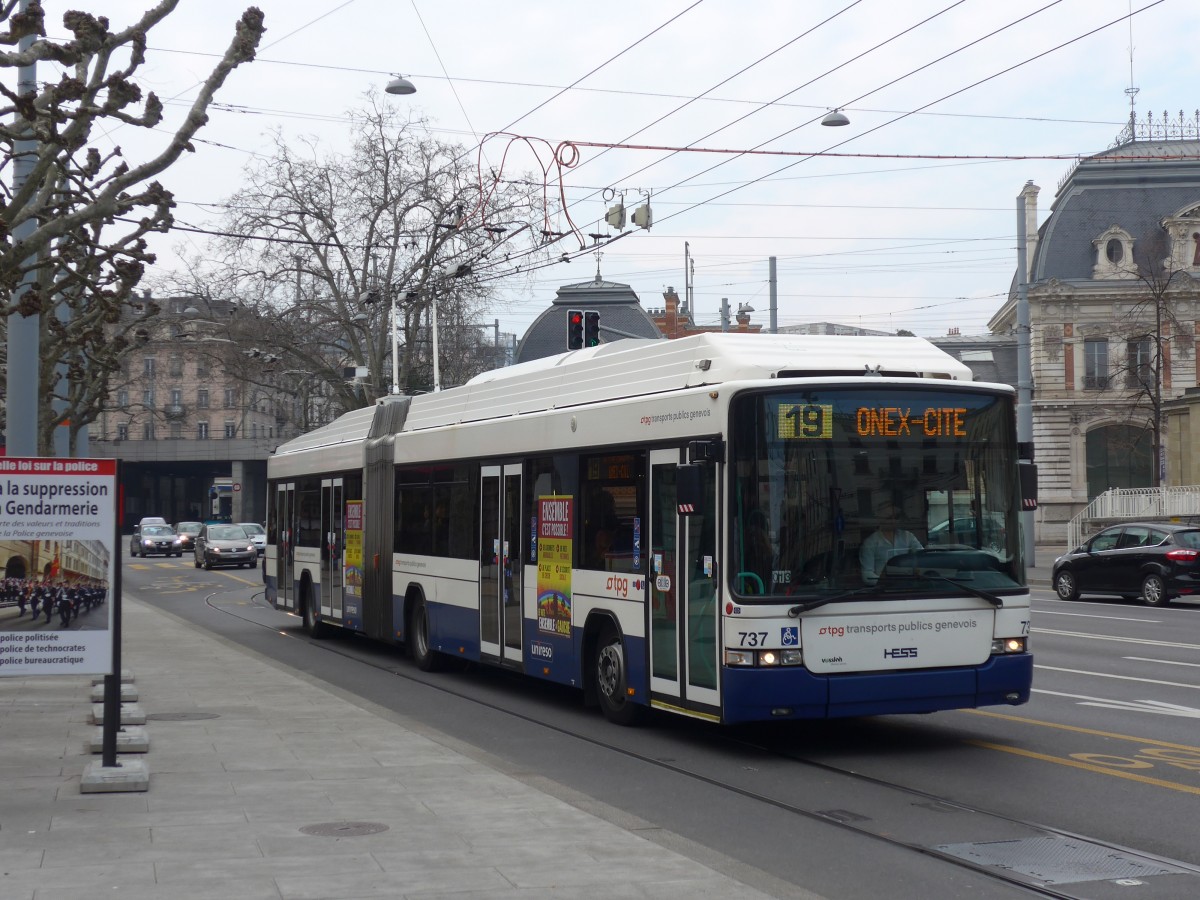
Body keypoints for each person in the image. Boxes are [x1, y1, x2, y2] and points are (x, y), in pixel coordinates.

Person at [859, 499, 923, 585]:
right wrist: (887, 583)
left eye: (896, 517)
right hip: (883, 590)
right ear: (879, 519)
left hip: (908, 587)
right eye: (889, 518)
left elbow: (922, 557)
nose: (893, 521)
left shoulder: (908, 536)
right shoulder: (870, 542)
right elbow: (867, 574)